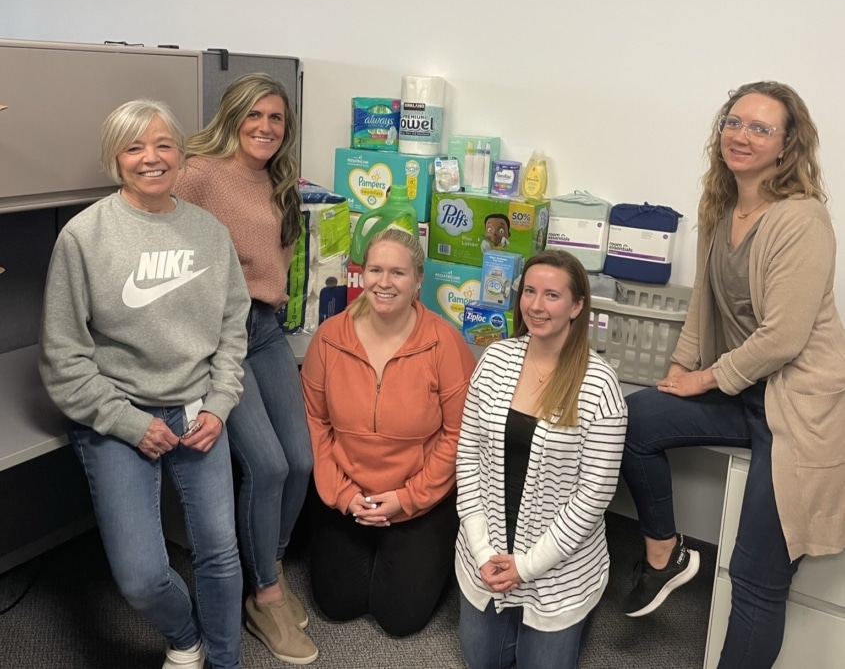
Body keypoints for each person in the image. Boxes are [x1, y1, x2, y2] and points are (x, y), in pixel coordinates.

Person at [621, 81, 845, 668]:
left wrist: (703, 379)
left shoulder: (802, 220)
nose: (741, 136)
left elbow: (784, 337)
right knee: (636, 416)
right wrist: (675, 373)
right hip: (743, 390)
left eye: (760, 128)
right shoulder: (719, 207)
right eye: (733, 121)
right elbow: (702, 307)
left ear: (787, 144)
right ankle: (664, 552)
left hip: (797, 408)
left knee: (754, 576)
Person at [39, 99, 250, 669]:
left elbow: (233, 329)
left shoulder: (209, 232)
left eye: (163, 145)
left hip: (199, 409)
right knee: (139, 577)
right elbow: (64, 356)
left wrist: (221, 404)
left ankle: (225, 662)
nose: (151, 158)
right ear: (116, 158)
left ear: (180, 153)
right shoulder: (84, 237)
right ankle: (187, 638)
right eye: (135, 147)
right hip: (119, 412)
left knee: (221, 553)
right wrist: (130, 424)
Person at [173, 72, 317, 664]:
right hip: (218, 336)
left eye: (276, 118)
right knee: (267, 464)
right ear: (232, 116)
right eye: (254, 115)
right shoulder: (198, 173)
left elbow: (274, 266)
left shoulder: (278, 179)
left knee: (303, 461)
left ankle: (268, 561)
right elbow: (163, 247)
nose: (265, 127)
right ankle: (266, 593)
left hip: (267, 330)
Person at [454, 249, 627, 669]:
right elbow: (467, 459)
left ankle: (577, 613)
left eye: (552, 295)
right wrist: (482, 552)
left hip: (558, 567)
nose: (536, 305)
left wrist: (527, 567)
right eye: (529, 291)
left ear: (577, 305)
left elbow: (594, 496)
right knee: (482, 661)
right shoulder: (495, 360)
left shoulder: (599, 384)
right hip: (488, 549)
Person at [300, 228, 476, 637]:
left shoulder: (444, 344)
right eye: (375, 270)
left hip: (418, 493)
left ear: (418, 280)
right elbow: (315, 422)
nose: (384, 282)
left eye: (398, 272)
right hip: (348, 491)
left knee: (399, 618)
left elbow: (458, 434)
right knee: (337, 605)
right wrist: (343, 495)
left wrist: (408, 498)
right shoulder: (330, 338)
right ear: (362, 275)